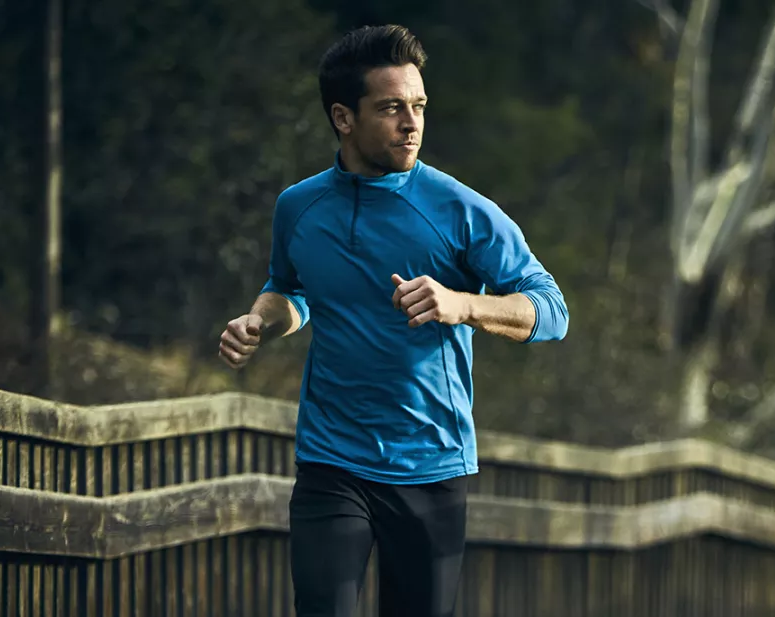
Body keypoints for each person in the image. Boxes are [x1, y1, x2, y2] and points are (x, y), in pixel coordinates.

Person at [215, 24, 569, 617]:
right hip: (332, 463)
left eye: (419, 106)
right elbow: (292, 290)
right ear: (343, 118)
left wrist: (466, 304)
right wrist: (257, 321)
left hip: (430, 464)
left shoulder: (460, 210)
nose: (412, 123)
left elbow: (552, 308)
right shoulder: (299, 207)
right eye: (391, 108)